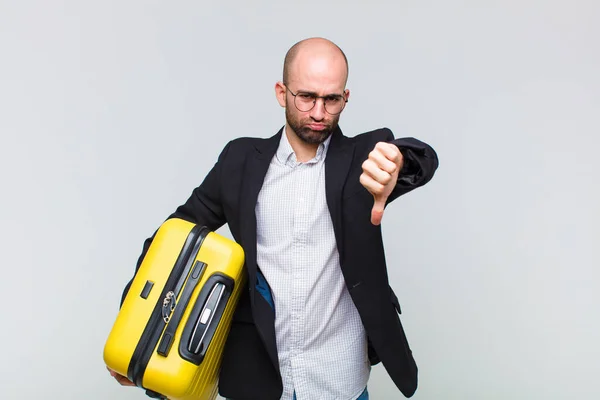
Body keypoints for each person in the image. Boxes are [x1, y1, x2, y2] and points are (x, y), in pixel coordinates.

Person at [109, 37, 439, 400]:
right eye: (306, 97)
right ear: (282, 93)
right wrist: (135, 324)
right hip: (258, 376)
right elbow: (172, 236)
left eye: (331, 100)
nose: (318, 112)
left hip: (339, 377)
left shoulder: (364, 157)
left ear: (345, 98)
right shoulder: (239, 160)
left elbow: (418, 158)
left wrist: (397, 164)